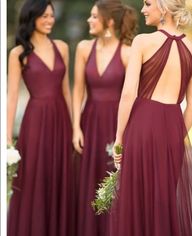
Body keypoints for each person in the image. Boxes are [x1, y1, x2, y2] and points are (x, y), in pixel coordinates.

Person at [112, 0, 192, 235]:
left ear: (164, 8)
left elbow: (128, 94)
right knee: (162, 202)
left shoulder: (142, 42)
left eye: (148, 3)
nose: (143, 9)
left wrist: (119, 137)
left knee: (136, 202)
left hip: (143, 125)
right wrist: (178, 136)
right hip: (172, 128)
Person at [7, 1, 73, 235]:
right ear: (31, 17)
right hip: (35, 122)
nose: (49, 21)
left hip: (61, 120)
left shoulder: (62, 47)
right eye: (44, 16)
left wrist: (75, 128)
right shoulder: (17, 53)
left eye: (51, 16)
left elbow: (66, 91)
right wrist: (6, 141)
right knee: (35, 179)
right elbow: (12, 97)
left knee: (60, 177)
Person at [72, 0, 137, 235]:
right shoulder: (82, 48)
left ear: (109, 21)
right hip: (89, 122)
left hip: (115, 124)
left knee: (113, 182)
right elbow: (77, 90)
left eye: (94, 16)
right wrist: (75, 128)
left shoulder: (128, 53)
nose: (89, 20)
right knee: (88, 182)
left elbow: (132, 96)